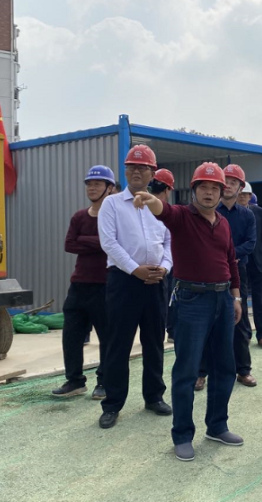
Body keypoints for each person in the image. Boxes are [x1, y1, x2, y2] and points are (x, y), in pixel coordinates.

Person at [133, 162, 244, 461]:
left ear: (221, 192)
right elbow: (163, 211)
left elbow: (231, 261)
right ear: (194, 190)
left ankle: (217, 426)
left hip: (223, 300)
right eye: (203, 187)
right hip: (192, 301)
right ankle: (182, 435)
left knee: (225, 367)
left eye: (215, 188)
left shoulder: (223, 223)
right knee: (187, 370)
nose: (209, 192)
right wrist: (150, 199)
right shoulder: (182, 216)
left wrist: (236, 297)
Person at [97, 145, 173, 429]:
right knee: (119, 344)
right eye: (132, 167)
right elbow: (109, 242)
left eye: (143, 168)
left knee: (154, 341)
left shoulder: (159, 208)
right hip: (124, 281)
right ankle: (112, 404)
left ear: (153, 173)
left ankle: (154, 396)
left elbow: (170, 241)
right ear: (126, 171)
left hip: (156, 280)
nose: (137, 172)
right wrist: (135, 269)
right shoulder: (112, 204)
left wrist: (165, 267)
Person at [52, 166, 115, 400]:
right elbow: (69, 244)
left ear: (110, 188)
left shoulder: (115, 217)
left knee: (107, 338)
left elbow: (113, 244)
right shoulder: (79, 217)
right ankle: (75, 381)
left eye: (97, 184)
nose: (92, 188)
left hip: (105, 285)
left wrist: (85, 240)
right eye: (89, 183)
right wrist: (99, 242)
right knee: (71, 335)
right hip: (79, 285)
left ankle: (105, 382)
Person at [195, 164, 256, 390]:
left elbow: (251, 242)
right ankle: (201, 372)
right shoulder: (209, 211)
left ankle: (243, 370)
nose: (229, 185)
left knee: (240, 321)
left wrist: (231, 256)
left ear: (241, 187)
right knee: (206, 322)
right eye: (226, 181)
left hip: (239, 273)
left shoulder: (247, 215)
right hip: (210, 273)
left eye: (233, 182)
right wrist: (224, 257)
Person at [238, 182, 262, 347]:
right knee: (242, 299)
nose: (242, 197)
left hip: (258, 261)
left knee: (259, 299)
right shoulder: (231, 214)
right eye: (240, 194)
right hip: (240, 262)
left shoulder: (259, 212)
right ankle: (245, 333)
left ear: (250, 196)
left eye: (245, 194)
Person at [149, 168, 177, 343]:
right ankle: (170, 331)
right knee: (169, 299)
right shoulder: (168, 212)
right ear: (167, 190)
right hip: (164, 268)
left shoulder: (139, 205)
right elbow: (170, 242)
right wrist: (166, 266)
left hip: (137, 269)